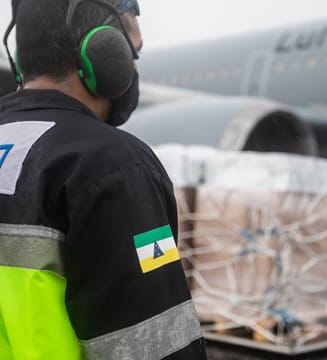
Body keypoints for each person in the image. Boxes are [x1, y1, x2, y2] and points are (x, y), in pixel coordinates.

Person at [0, 0, 207, 358]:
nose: (134, 67)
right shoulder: (111, 167)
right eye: (133, 52)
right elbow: (152, 347)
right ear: (102, 53)